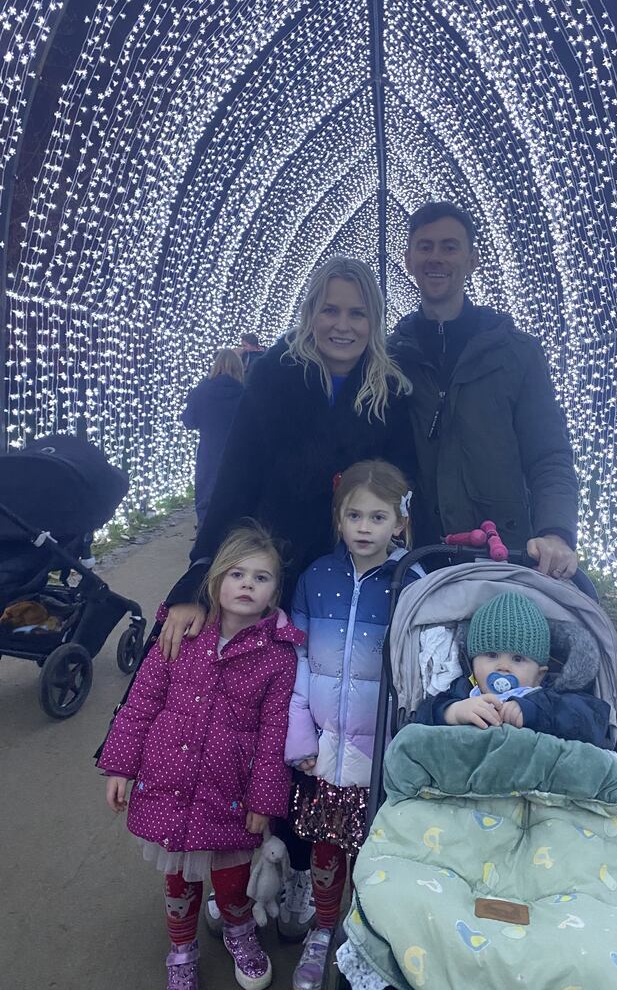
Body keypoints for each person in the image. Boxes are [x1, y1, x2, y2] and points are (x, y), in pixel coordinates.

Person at [160, 257, 414, 942]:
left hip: (343, 585)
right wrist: (197, 577)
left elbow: (400, 489)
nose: (342, 324)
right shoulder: (275, 375)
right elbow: (237, 475)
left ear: (374, 321)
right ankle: (241, 865)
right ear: (309, 314)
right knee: (254, 721)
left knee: (325, 723)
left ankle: (305, 867)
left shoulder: (388, 389)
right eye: (330, 310)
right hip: (273, 571)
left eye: (357, 313)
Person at [97, 522, 303, 990]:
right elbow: (142, 703)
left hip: (228, 789)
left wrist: (263, 800)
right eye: (236, 573)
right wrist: (120, 766)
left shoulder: (278, 656)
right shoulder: (183, 633)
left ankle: (240, 932)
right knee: (178, 879)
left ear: (274, 593)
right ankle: (182, 949)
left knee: (232, 879)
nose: (247, 584)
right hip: (167, 779)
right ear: (214, 581)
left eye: (261, 577)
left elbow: (275, 733)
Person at [283, 460, 422, 990]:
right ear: (338, 519)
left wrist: (404, 751)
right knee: (325, 846)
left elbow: (420, 677)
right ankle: (322, 930)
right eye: (354, 515)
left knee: (375, 850)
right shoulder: (316, 579)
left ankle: (365, 939)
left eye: (378, 516)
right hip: (323, 751)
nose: (365, 528)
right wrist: (299, 741)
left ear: (400, 522)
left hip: (383, 756)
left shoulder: (414, 582)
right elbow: (296, 666)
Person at [389, 201, 580, 579]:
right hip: (420, 559)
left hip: (506, 555)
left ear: (472, 259)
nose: (436, 258)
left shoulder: (516, 354)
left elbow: (548, 455)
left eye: (449, 246)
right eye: (425, 247)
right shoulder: (391, 358)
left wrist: (555, 532)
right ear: (409, 259)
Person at [415, 591, 610, 747]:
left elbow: (593, 721)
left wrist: (535, 712)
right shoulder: (465, 691)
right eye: (491, 655)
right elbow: (421, 716)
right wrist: (452, 712)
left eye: (518, 659)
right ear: (472, 663)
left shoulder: (550, 697)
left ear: (539, 675)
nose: (503, 666)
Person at [181, 348, 244, 526]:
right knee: (235, 505)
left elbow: (189, 422)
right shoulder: (245, 393)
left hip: (209, 454)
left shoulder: (201, 391)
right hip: (238, 456)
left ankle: (204, 545)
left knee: (206, 502)